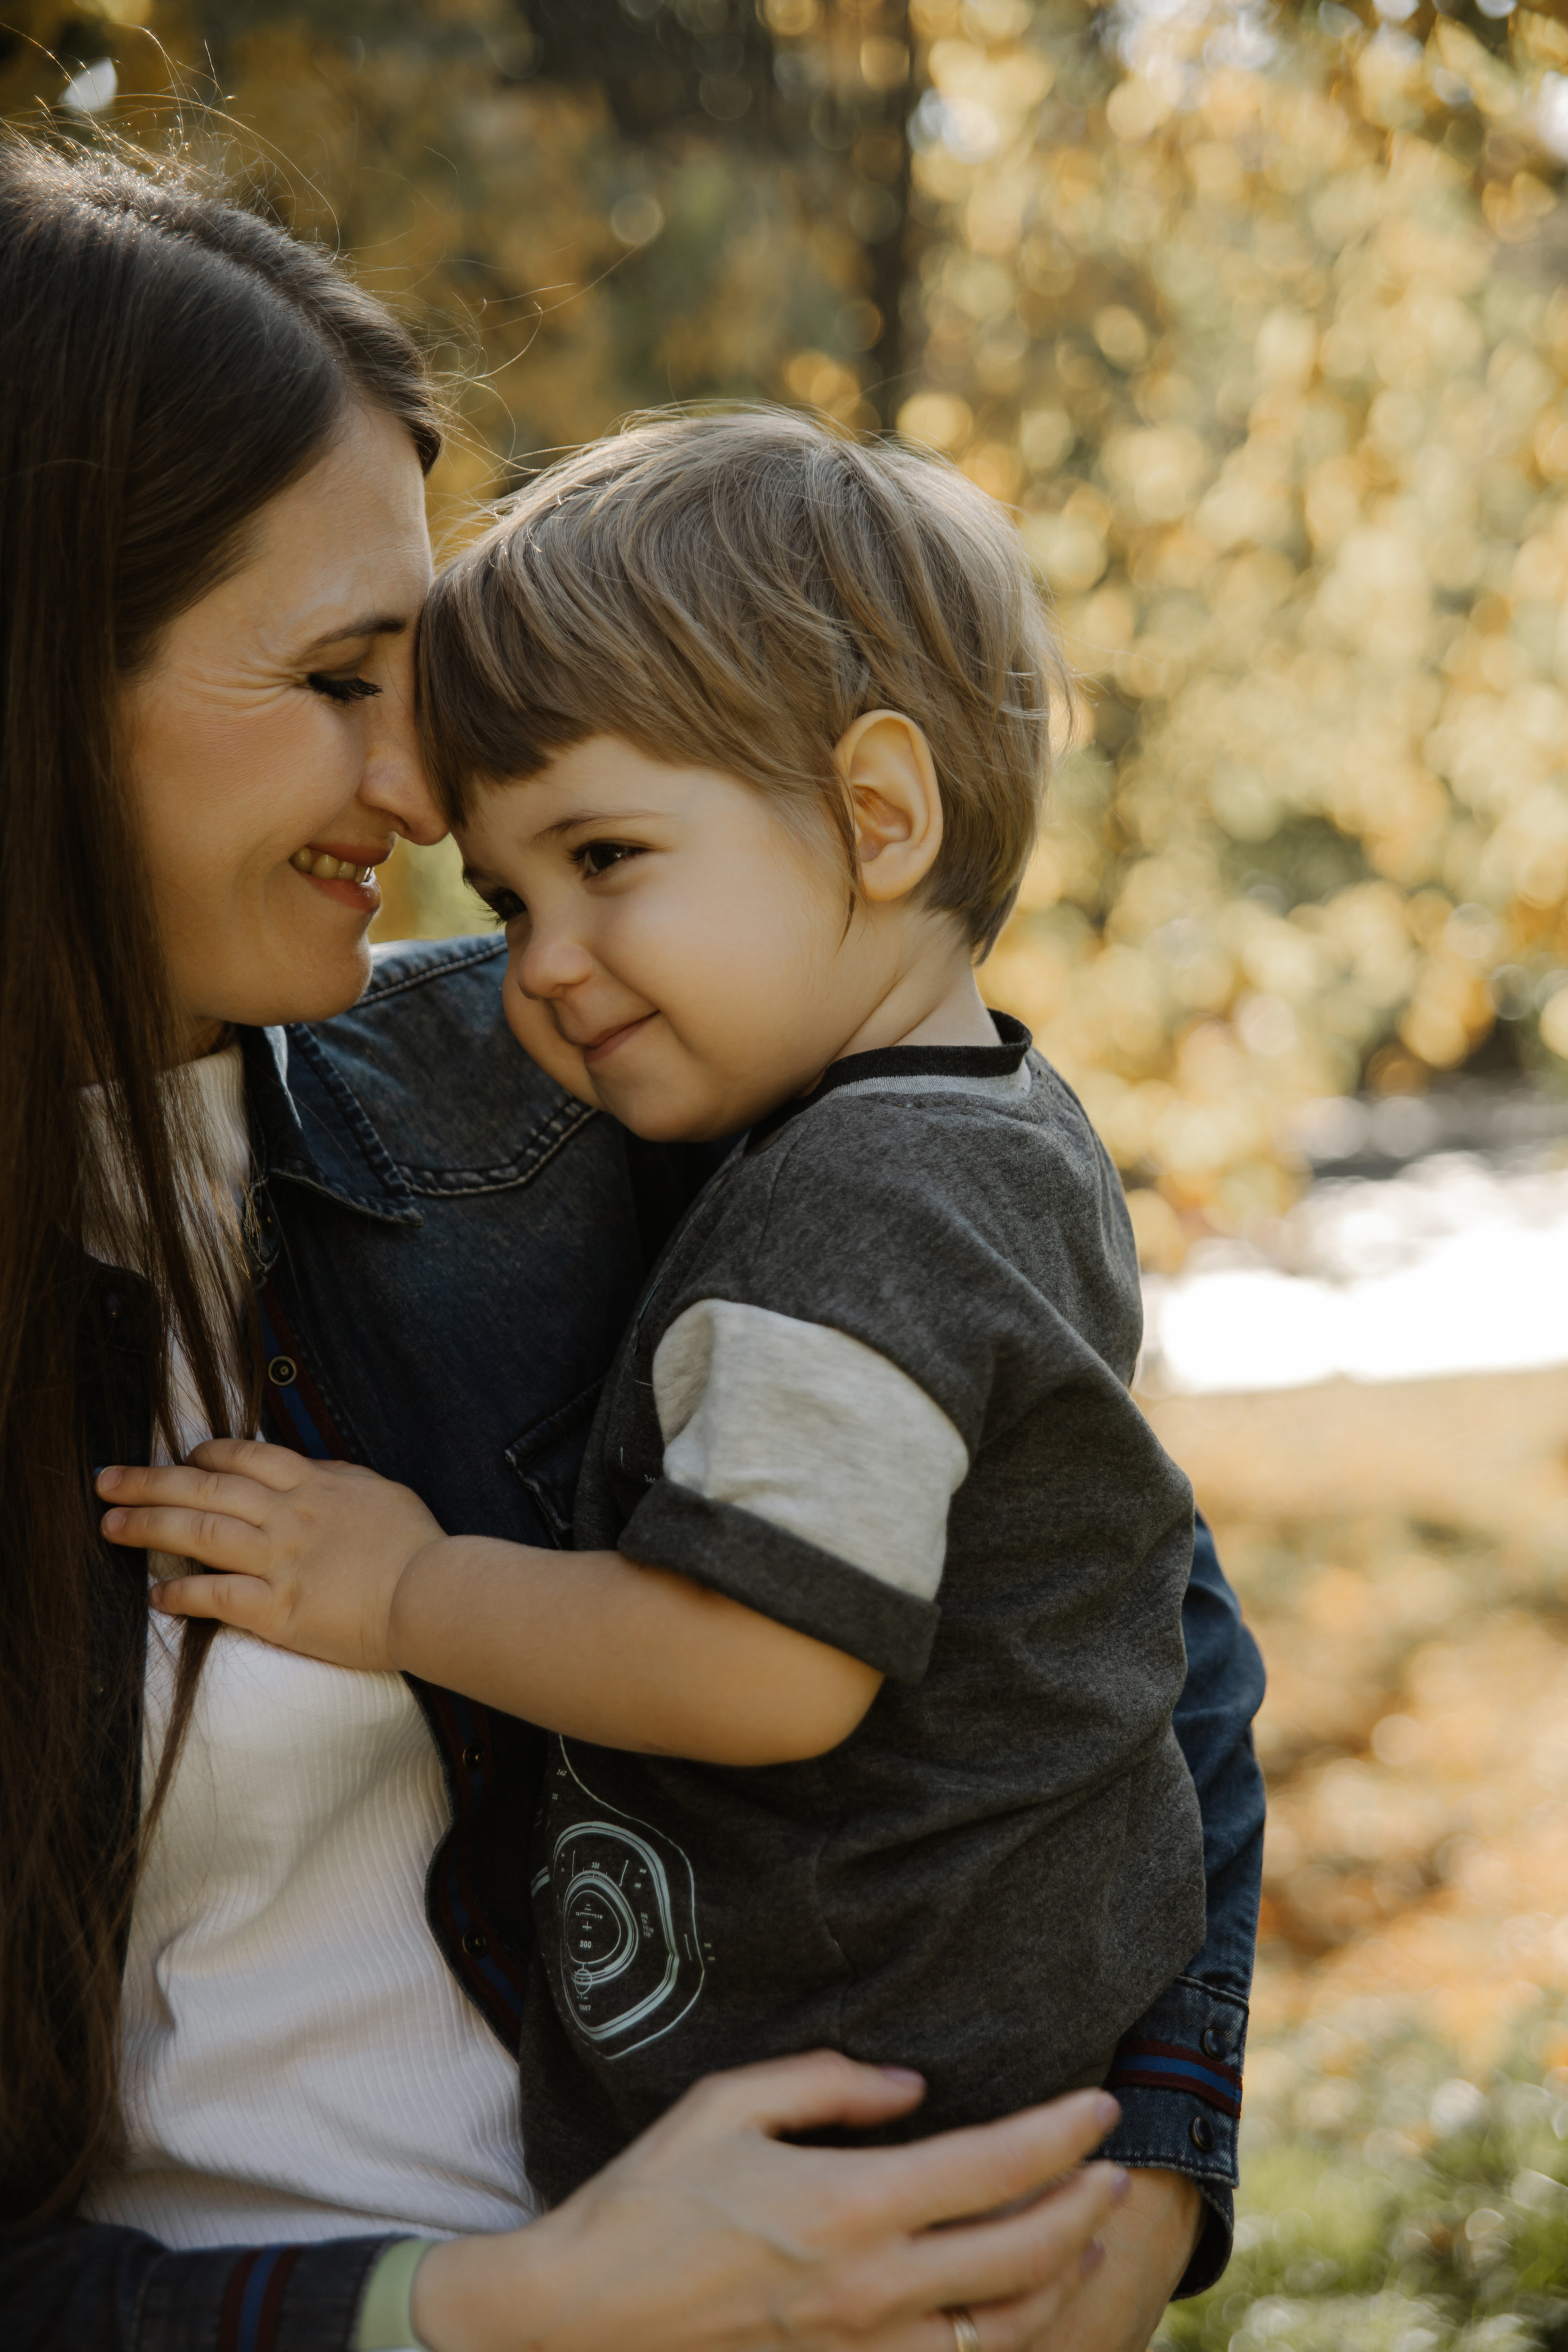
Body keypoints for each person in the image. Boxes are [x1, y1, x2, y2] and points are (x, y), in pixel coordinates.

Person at [0, 130, 1264, 2352]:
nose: (418, 790)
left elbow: (1107, 1597)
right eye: (333, 680)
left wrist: (1148, 2156)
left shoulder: (562, 1100)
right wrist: (494, 2312)